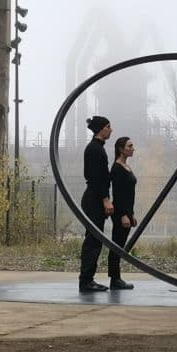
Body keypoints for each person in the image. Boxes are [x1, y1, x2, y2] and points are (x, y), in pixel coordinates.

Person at [78, 115, 114, 292]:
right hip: (94, 199)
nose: (111, 130)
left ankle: (87, 279)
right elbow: (96, 177)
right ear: (101, 129)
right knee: (93, 241)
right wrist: (105, 199)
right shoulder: (95, 149)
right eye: (108, 127)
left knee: (94, 241)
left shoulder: (97, 148)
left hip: (94, 197)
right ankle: (86, 281)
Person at [108, 136, 138, 290]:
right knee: (117, 245)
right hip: (120, 213)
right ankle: (115, 279)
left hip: (127, 212)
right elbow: (118, 194)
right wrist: (122, 215)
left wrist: (131, 213)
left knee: (120, 245)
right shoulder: (117, 168)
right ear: (121, 149)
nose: (133, 148)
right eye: (130, 146)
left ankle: (116, 278)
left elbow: (129, 194)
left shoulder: (126, 166)